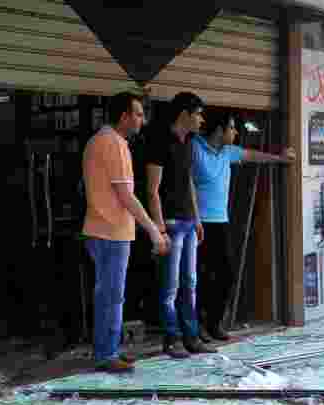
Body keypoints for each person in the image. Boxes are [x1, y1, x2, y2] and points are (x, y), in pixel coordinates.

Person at [81, 92, 168, 373]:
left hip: (102, 229)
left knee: (108, 293)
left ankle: (109, 349)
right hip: (111, 231)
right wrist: (154, 231)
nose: (143, 120)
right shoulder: (115, 144)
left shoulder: (97, 141)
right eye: (139, 114)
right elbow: (126, 196)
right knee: (111, 295)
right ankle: (107, 354)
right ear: (124, 116)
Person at [191, 111, 293, 341]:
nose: (236, 132)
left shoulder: (227, 153)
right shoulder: (195, 148)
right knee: (199, 278)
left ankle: (214, 323)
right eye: (232, 128)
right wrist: (194, 218)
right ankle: (197, 327)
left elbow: (252, 155)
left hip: (221, 222)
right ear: (219, 130)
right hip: (198, 224)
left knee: (226, 276)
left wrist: (280, 158)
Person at [145, 91, 214, 358]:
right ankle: (171, 338)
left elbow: (189, 182)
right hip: (171, 223)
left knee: (190, 282)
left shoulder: (190, 142)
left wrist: (197, 218)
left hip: (188, 222)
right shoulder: (159, 141)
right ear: (184, 114)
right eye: (198, 114)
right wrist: (159, 229)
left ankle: (191, 336)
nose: (202, 120)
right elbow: (152, 190)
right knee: (171, 286)